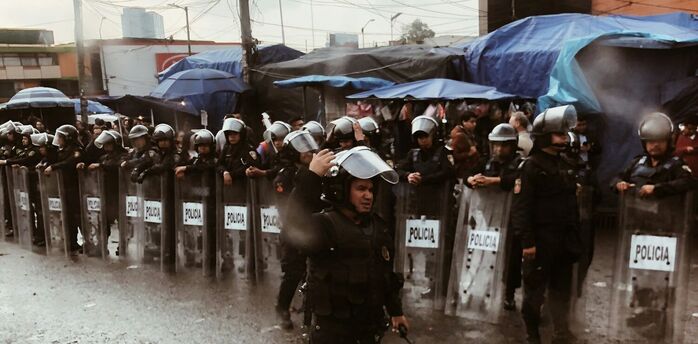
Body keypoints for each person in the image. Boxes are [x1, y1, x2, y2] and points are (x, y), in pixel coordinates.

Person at [285, 146, 408, 344]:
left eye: (370, 190)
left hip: (368, 330)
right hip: (332, 332)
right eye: (360, 189)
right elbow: (292, 226)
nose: (368, 195)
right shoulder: (324, 224)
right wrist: (311, 177)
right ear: (341, 189)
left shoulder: (377, 227)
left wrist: (396, 311)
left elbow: (384, 275)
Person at [510, 105, 580, 344]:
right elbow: (521, 208)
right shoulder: (530, 167)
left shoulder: (565, 164)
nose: (564, 137)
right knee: (534, 293)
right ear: (544, 137)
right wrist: (527, 242)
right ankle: (533, 335)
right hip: (540, 240)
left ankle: (561, 332)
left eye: (564, 133)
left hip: (563, 240)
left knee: (561, 290)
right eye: (559, 134)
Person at [465, 123, 523, 310]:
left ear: (512, 145)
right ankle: (481, 287)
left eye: (503, 145)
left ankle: (509, 293)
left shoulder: (519, 162)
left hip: (511, 217)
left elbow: (516, 180)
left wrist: (493, 181)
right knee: (484, 251)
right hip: (487, 215)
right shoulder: (487, 161)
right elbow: (468, 172)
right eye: (496, 145)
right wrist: (471, 179)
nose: (499, 149)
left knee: (511, 256)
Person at [272, 130, 321, 330]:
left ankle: (311, 310)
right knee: (293, 271)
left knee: (317, 271)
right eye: (302, 149)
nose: (307, 152)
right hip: (294, 230)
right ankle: (282, 307)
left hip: (314, 227)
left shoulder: (317, 171)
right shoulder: (287, 175)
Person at [613, 112, 696, 197]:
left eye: (660, 140)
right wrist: (619, 184)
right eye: (651, 141)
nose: (656, 145)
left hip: (666, 210)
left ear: (668, 142)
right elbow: (617, 179)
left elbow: (689, 182)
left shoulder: (676, 164)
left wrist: (658, 189)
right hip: (633, 209)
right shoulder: (637, 162)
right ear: (644, 143)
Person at [43, 125, 84, 254]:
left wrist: (53, 167)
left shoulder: (77, 150)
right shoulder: (62, 150)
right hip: (64, 186)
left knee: (78, 216)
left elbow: (69, 162)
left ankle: (88, 241)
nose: (58, 140)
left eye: (60, 137)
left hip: (75, 186)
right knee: (68, 216)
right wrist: (45, 162)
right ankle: (72, 242)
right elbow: (53, 159)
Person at [1, 125, 44, 245]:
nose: (23, 141)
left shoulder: (34, 151)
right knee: (26, 206)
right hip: (25, 184)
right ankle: (31, 231)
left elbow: (24, 160)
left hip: (36, 183)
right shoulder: (24, 149)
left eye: (26, 139)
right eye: (23, 139)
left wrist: (6, 162)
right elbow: (18, 158)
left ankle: (40, 234)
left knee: (39, 210)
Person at [89, 130, 127, 249]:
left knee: (121, 221)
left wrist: (101, 166)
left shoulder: (123, 155)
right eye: (105, 144)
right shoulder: (103, 157)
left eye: (109, 144)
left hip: (118, 192)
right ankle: (101, 244)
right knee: (103, 220)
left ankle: (123, 245)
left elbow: (117, 165)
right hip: (105, 192)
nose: (106, 147)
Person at [396, 115, 454, 189]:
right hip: (417, 195)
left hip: (439, 194)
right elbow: (398, 169)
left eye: (426, 137)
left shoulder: (443, 152)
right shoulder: (413, 154)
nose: (423, 140)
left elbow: (448, 172)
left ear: (432, 136)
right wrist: (408, 175)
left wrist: (423, 179)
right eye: (420, 138)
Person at [450, 111, 480, 179]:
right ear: (464, 122)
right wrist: (469, 154)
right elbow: (454, 155)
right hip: (463, 171)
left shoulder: (468, 133)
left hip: (469, 169)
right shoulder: (459, 135)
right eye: (472, 122)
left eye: (475, 122)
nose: (474, 124)